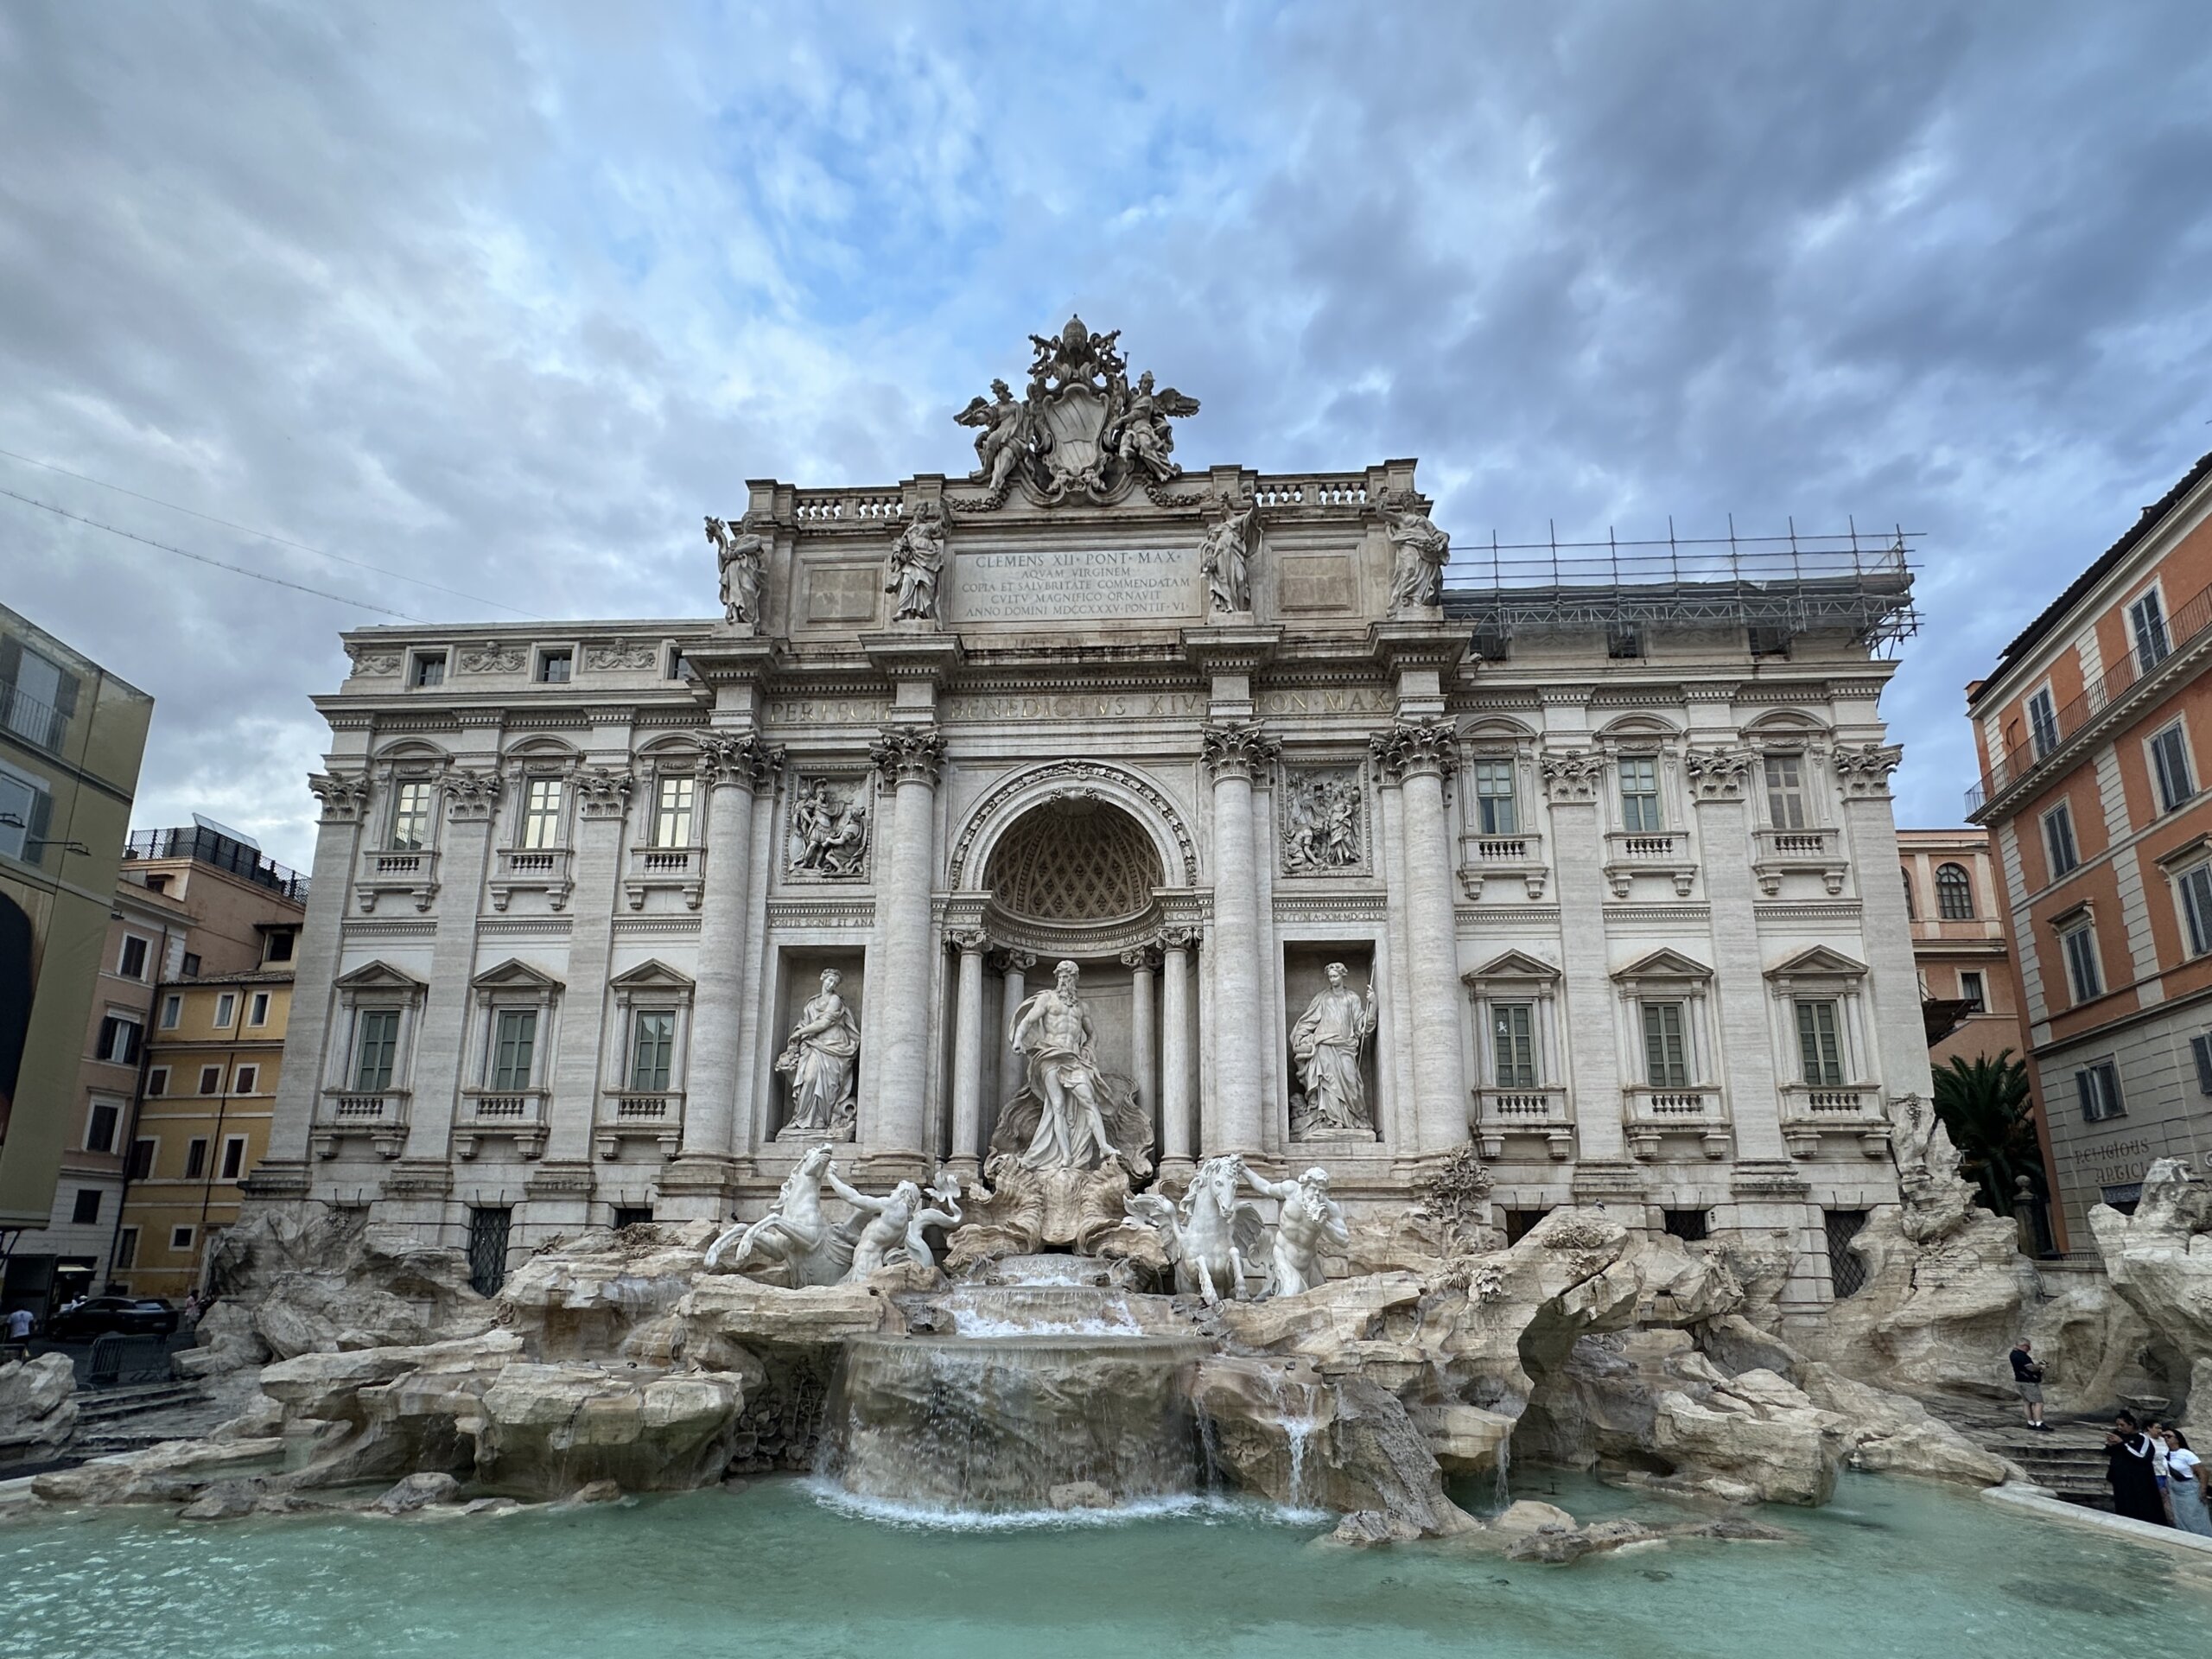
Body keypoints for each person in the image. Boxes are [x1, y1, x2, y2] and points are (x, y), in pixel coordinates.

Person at [2106, 1412, 2170, 1525]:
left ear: (2131, 1425)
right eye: (2118, 1425)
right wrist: (2110, 1445)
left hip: (2139, 1483)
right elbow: (2112, 1455)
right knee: (2124, 1509)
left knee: (2143, 1509)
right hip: (2121, 1481)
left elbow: (2142, 1457)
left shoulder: (2143, 1439)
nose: (2119, 1428)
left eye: (2122, 1425)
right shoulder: (2119, 1437)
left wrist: (2122, 1444)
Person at [2164, 1429, 2212, 1536]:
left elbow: (2203, 1472)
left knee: (2194, 1516)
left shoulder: (2186, 1454)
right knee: (2180, 1516)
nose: (2166, 1438)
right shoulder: (2167, 1453)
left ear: (2177, 1439)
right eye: (2164, 1436)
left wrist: (2203, 1491)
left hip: (2189, 1489)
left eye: (2169, 1436)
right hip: (2174, 1490)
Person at [2008, 1338, 2049, 1431]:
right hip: (2029, 1383)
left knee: (2027, 1402)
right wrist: (2041, 1367)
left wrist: (2037, 1365)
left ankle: (2030, 1423)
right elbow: (2031, 1368)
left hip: (2019, 1381)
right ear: (2024, 1346)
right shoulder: (2022, 1356)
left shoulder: (2013, 1354)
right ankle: (2039, 1423)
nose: (2029, 1349)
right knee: (2038, 1403)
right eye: (2028, 1347)